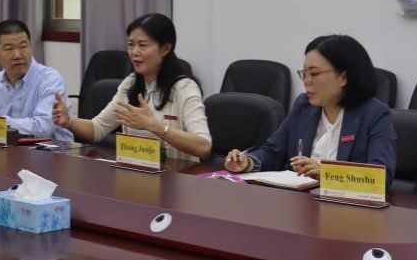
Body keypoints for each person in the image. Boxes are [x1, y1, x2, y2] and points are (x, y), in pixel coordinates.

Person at [224, 34, 395, 181]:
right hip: (299, 201)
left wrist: (326, 173)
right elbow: (274, 152)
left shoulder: (374, 114)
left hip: (344, 206)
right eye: (304, 74)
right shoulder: (304, 105)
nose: (306, 81)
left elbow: (381, 176)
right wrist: (247, 163)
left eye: (314, 73)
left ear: (343, 77)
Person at [51, 13, 211, 162]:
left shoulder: (184, 88)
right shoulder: (131, 83)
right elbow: (97, 129)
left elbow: (203, 147)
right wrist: (68, 121)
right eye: (131, 45)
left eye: (142, 45)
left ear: (166, 49)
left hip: (177, 177)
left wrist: (156, 126)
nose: (134, 52)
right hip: (136, 171)